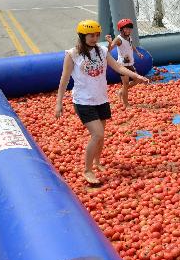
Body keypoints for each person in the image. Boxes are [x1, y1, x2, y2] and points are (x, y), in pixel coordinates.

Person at [55, 20, 148, 185]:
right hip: (83, 101)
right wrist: (59, 102)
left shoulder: (103, 51)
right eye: (91, 35)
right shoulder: (73, 54)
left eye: (97, 35)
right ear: (82, 36)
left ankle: (97, 162)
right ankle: (87, 170)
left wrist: (136, 76)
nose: (94, 38)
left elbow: (118, 67)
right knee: (97, 134)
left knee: (101, 136)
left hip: (101, 99)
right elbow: (64, 79)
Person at [105, 18, 145, 108]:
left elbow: (131, 45)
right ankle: (126, 104)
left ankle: (121, 91)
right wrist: (109, 42)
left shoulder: (129, 37)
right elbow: (109, 49)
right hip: (122, 65)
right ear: (121, 29)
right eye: (126, 28)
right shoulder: (118, 39)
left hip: (130, 64)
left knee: (137, 80)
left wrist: (137, 53)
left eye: (130, 28)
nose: (128, 30)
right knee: (126, 84)